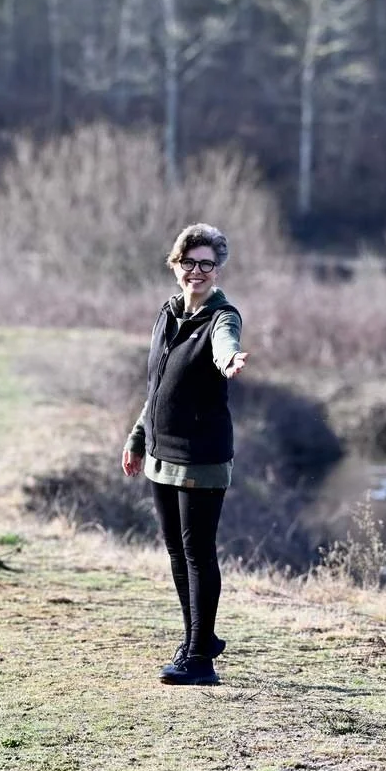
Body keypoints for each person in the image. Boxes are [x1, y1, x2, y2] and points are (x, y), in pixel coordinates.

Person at [121, 223, 249, 686]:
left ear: (217, 269)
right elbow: (156, 389)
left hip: (201, 456)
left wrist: (229, 359)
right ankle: (200, 637)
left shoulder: (222, 317)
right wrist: (137, 439)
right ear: (176, 265)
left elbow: (225, 343)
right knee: (177, 551)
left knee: (197, 553)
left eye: (206, 264)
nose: (197, 271)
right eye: (189, 262)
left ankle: (200, 661)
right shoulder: (168, 313)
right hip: (161, 454)